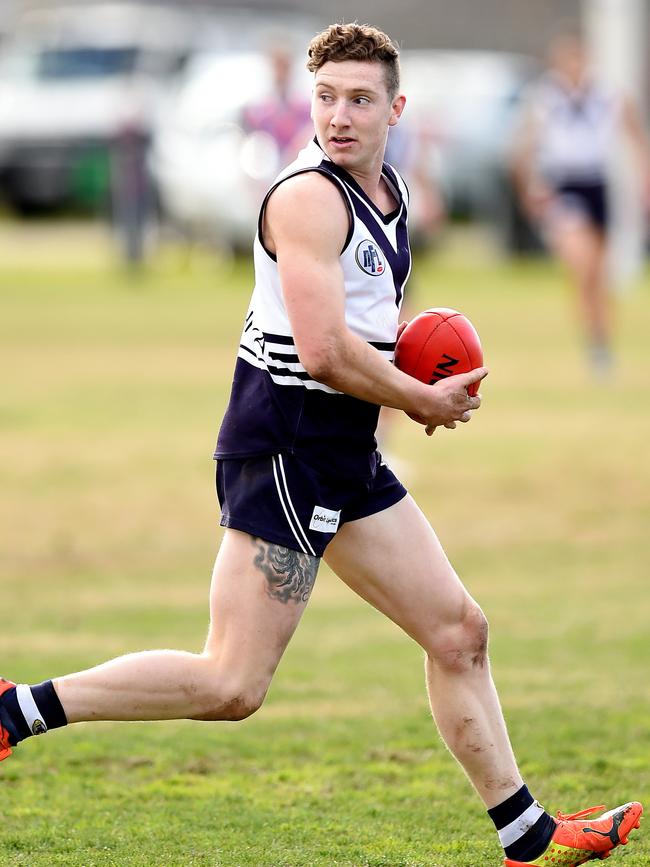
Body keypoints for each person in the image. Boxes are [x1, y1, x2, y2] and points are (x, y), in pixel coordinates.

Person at [0, 23, 642, 866]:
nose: (339, 116)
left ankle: (527, 835)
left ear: (396, 108)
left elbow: (366, 329)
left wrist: (415, 355)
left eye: (360, 99)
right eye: (327, 98)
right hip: (285, 449)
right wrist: (423, 397)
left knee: (458, 632)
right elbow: (324, 351)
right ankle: (16, 711)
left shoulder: (393, 195)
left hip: (343, 453)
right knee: (233, 683)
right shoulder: (306, 197)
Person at [511, 29, 650, 375]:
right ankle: (596, 343)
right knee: (583, 263)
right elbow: (524, 149)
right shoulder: (545, 97)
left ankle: (600, 341)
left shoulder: (609, 95)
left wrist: (642, 183)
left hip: (598, 185)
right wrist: (529, 191)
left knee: (600, 274)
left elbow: (635, 139)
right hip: (565, 186)